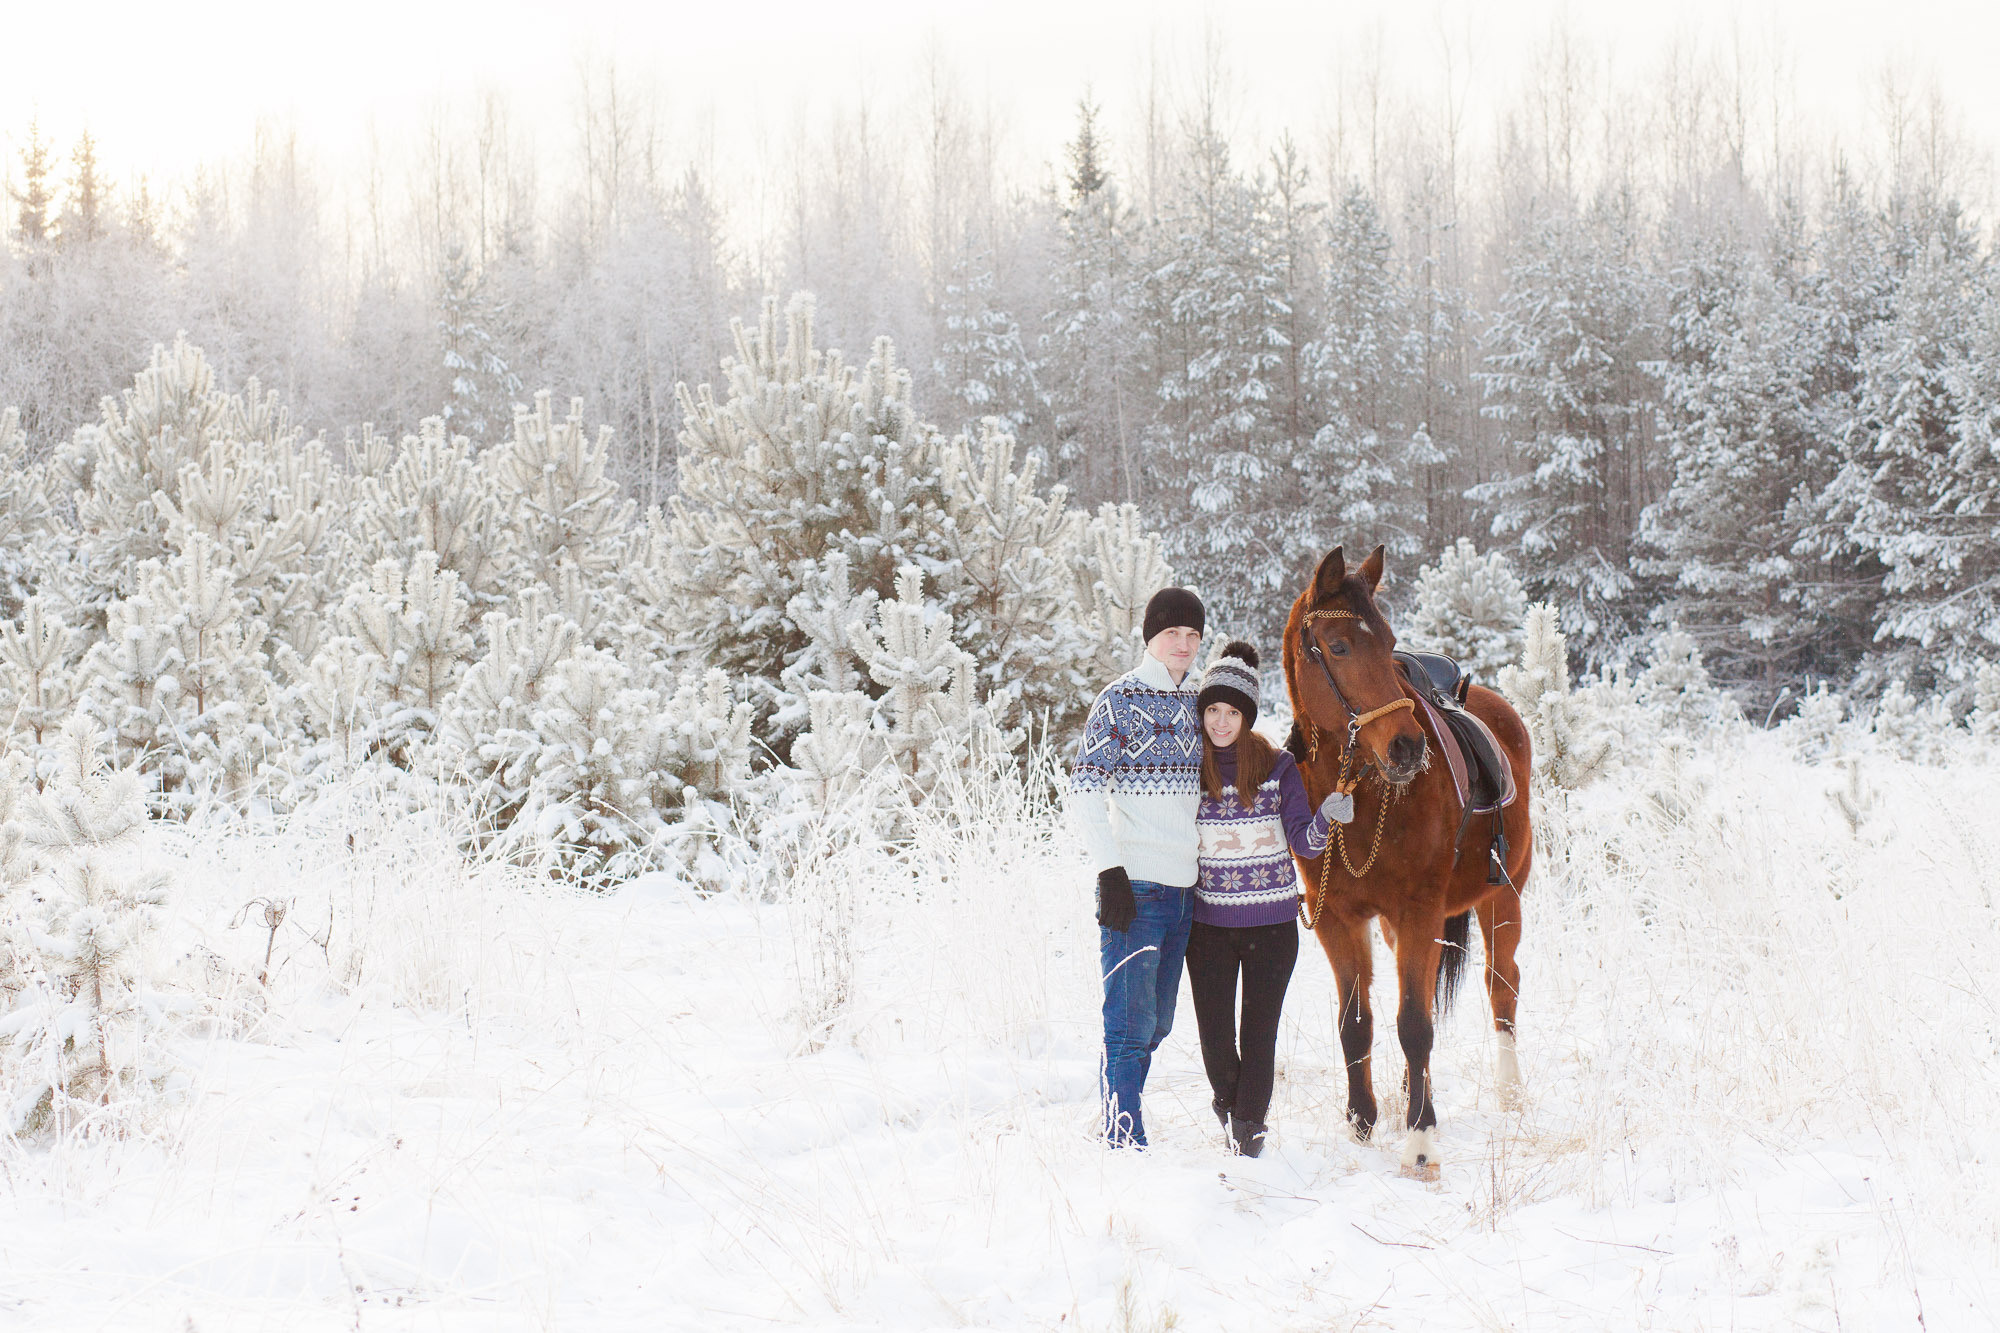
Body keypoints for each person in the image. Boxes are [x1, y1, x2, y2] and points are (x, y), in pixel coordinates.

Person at [1186, 641, 1352, 1157]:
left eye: (1230, 711)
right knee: (1216, 1039)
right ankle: (1229, 1104)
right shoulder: (1189, 767)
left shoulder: (1278, 768)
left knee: (1259, 1035)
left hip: (1272, 927)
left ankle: (1248, 1133)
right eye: (1212, 709)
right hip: (1208, 927)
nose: (1219, 721)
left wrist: (1327, 816)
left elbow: (1303, 840)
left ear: (1247, 715)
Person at [1069, 587, 1206, 1148]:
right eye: (1172, 632)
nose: (1182, 643)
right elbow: (1084, 787)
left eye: (1193, 634)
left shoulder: (1199, 702)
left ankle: (1120, 1116)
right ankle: (1123, 1136)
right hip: (1138, 889)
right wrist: (1110, 872)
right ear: (1150, 636)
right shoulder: (1119, 699)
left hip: (1185, 892)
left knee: (1157, 1025)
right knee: (1127, 1027)